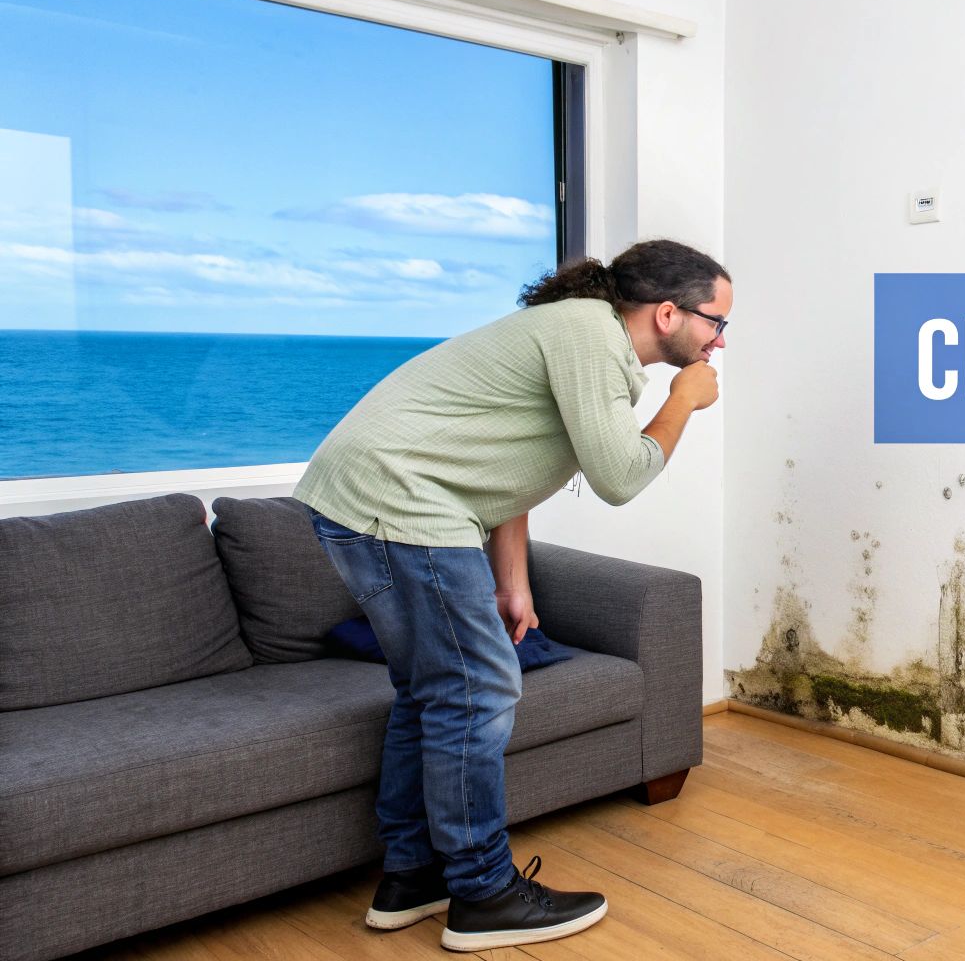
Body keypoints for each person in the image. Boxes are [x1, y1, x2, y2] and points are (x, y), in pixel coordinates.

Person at [293, 238, 730, 952]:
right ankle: (484, 892)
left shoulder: (581, 335)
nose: (719, 342)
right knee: (480, 689)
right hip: (401, 503)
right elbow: (620, 477)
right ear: (668, 313)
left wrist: (513, 580)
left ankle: (413, 877)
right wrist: (682, 402)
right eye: (717, 323)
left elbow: (502, 461)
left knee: (431, 691)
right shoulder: (589, 337)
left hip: (371, 501)